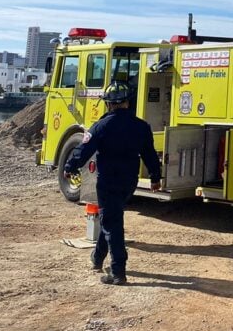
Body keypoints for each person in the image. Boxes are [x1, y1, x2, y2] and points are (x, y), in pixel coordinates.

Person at [63, 81, 162, 285]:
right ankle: (97, 257)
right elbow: (150, 154)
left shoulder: (101, 126)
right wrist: (155, 177)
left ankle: (118, 271)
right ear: (127, 102)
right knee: (111, 217)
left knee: (111, 222)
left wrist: (70, 167)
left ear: (108, 104)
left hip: (108, 181)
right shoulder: (141, 127)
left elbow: (83, 150)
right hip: (129, 182)